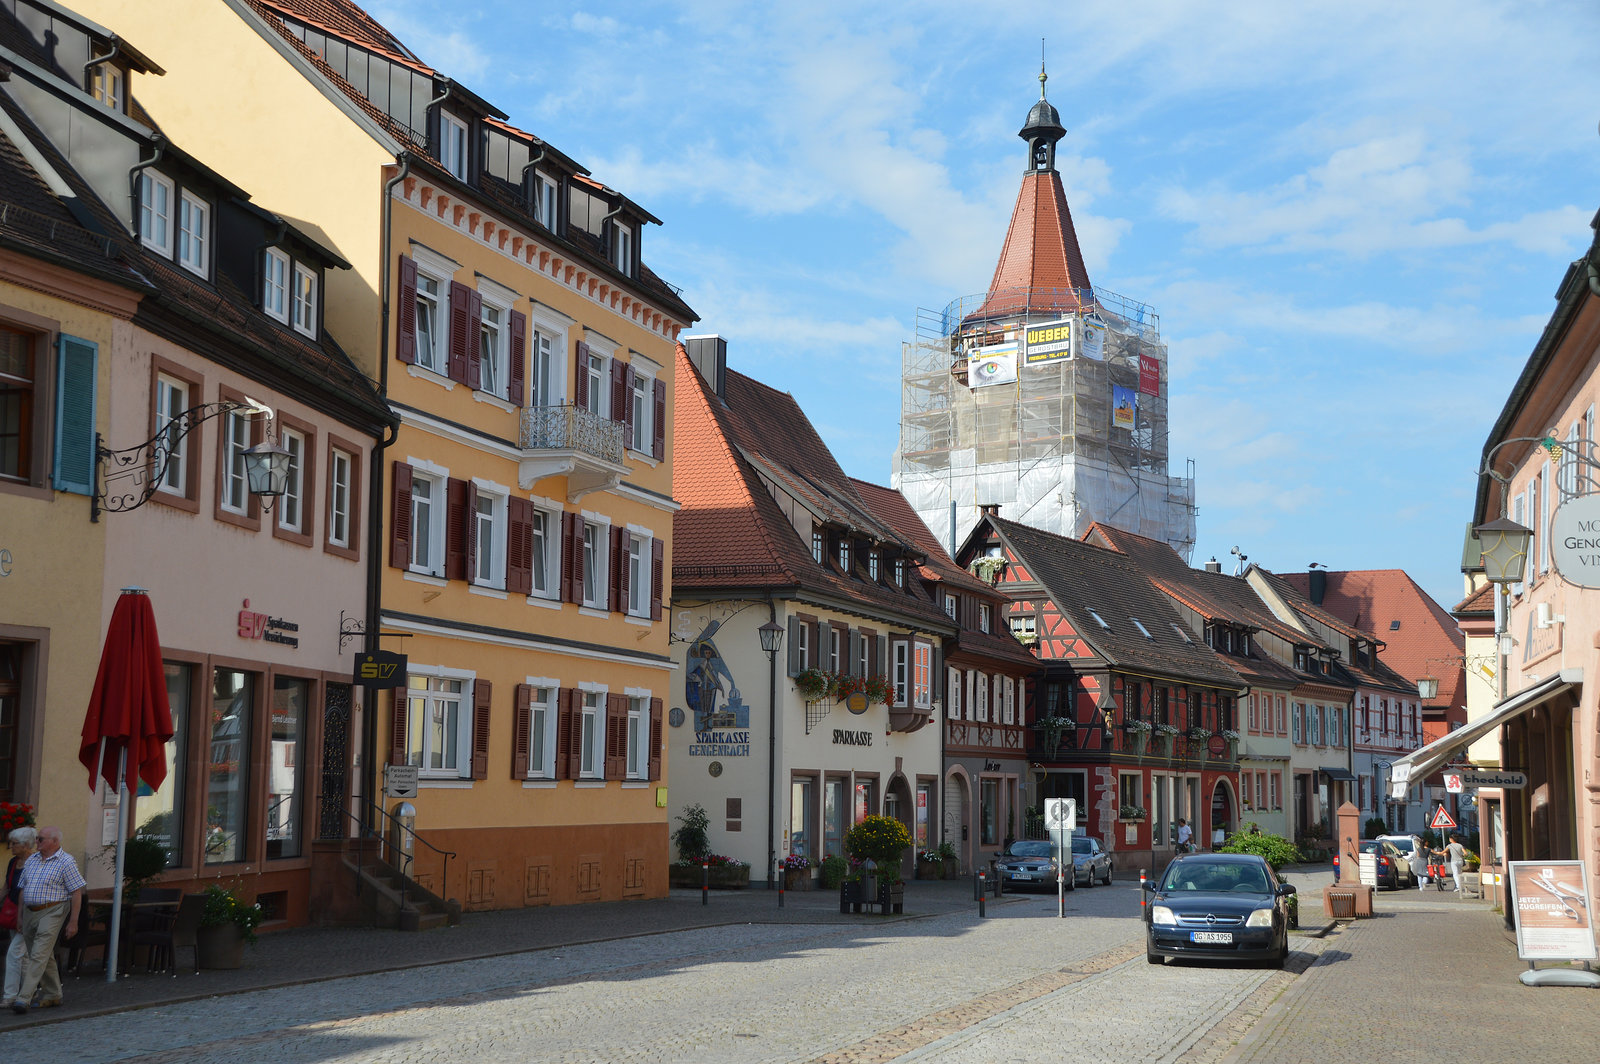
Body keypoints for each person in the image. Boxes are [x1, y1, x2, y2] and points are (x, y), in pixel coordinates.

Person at [9, 825, 84, 1014]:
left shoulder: (66, 862)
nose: (37, 842)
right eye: (37, 839)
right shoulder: (31, 860)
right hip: (30, 911)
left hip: (53, 910)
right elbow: (23, 889)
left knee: (38, 955)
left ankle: (23, 998)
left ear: (55, 841)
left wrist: (73, 921)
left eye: (41, 839)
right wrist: (19, 916)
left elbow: (76, 892)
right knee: (43, 954)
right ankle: (53, 994)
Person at [3, 827, 37, 1009]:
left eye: (14, 844)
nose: (11, 847)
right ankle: (30, 992)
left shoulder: (34, 863)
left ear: (25, 845)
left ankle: (10, 996)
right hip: (11, 913)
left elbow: (29, 892)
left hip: (27, 915)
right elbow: (6, 887)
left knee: (13, 954)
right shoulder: (13, 862)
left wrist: (21, 918)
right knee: (23, 957)